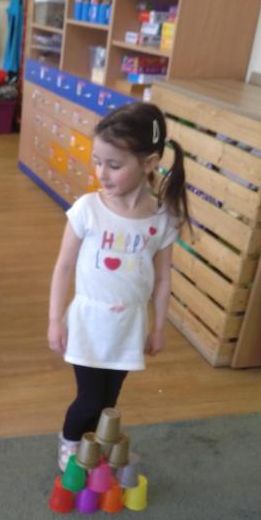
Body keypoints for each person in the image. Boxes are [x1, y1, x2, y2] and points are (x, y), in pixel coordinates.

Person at [47, 101, 189, 471]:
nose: (101, 174)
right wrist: (55, 320)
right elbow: (63, 267)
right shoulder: (87, 209)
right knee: (89, 399)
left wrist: (158, 327)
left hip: (129, 325)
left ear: (149, 162)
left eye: (113, 165)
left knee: (109, 400)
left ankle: (97, 443)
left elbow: (163, 278)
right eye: (97, 162)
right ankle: (70, 443)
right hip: (89, 323)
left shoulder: (162, 218)